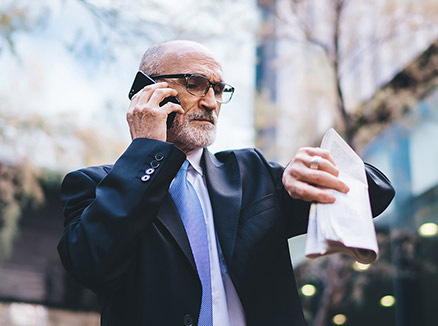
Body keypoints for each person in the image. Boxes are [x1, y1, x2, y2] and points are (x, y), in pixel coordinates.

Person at [58, 40, 395, 326]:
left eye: (219, 90)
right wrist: (145, 151)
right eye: (195, 83)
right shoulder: (94, 186)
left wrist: (311, 171)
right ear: (148, 91)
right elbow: (91, 265)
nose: (211, 102)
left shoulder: (253, 174)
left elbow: (376, 194)